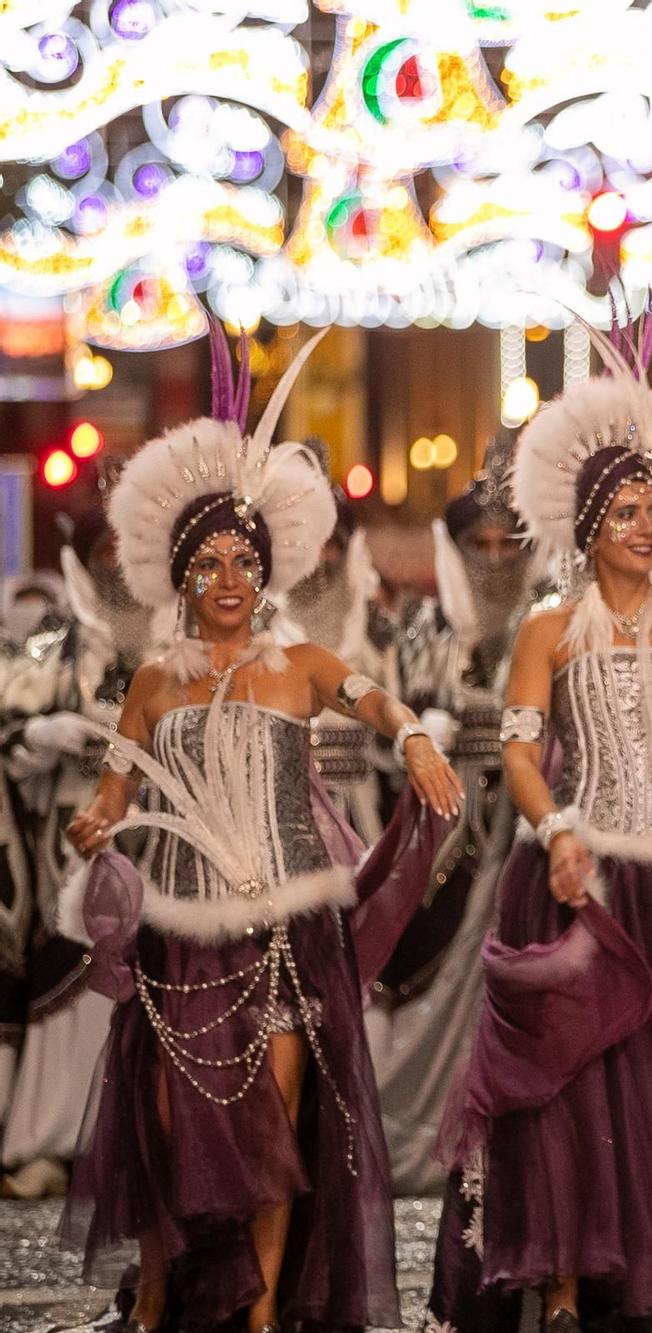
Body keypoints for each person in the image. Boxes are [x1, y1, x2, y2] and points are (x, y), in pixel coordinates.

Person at [57, 327, 461, 1333]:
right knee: (163, 1120)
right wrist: (93, 823)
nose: (229, 577)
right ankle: (156, 1290)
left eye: (244, 559)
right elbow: (117, 784)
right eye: (208, 562)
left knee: (275, 1119)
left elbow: (380, 705)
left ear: (268, 568)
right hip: (177, 928)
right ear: (180, 578)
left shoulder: (304, 663)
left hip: (283, 928)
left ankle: (265, 1310)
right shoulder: (154, 681)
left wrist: (415, 738)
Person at [423, 313, 652, 1332]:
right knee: (582, 1088)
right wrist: (558, 829)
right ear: (585, 523)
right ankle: (568, 1284)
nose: (644, 525)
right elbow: (522, 755)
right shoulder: (546, 628)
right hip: (582, 869)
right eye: (623, 508)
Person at [369, 438, 541, 1192]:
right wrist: (430, 723)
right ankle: (435, 1127)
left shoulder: (549, 617)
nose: (496, 557)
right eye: (483, 543)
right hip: (453, 820)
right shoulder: (424, 625)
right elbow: (401, 704)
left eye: (512, 542)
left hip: (533, 814)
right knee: (435, 961)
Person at [0, 493, 155, 1200]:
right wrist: (42, 733)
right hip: (74, 841)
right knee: (70, 987)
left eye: (131, 550)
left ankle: (149, 1143)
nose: (118, 567)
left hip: (164, 838)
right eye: (105, 553)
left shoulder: (182, 635)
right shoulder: (51, 639)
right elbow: (9, 716)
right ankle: (57, 1139)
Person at [274, 441, 400, 842]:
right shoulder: (257, 621)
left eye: (330, 544)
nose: (320, 558)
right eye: (307, 544)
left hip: (361, 808)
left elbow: (397, 700)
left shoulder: (373, 620)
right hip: (277, 809)